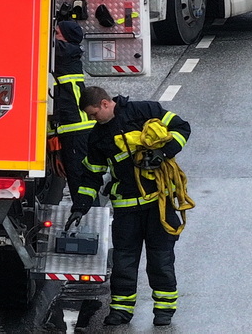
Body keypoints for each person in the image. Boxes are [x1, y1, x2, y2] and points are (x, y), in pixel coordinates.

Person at [72, 87, 192, 327]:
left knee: (161, 259)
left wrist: (162, 152)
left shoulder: (144, 111)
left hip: (159, 204)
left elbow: (182, 128)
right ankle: (120, 311)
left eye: (93, 114)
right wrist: (81, 206)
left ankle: (164, 309)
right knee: (124, 261)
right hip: (126, 209)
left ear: (106, 104)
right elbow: (92, 175)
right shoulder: (97, 137)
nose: (92, 120)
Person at [50, 20, 94, 205]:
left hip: (76, 128)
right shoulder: (68, 52)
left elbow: (44, 41)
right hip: (74, 127)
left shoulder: (65, 51)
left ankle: (85, 212)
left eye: (57, 33)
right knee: (77, 176)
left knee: (79, 178)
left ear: (66, 39)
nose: (53, 36)